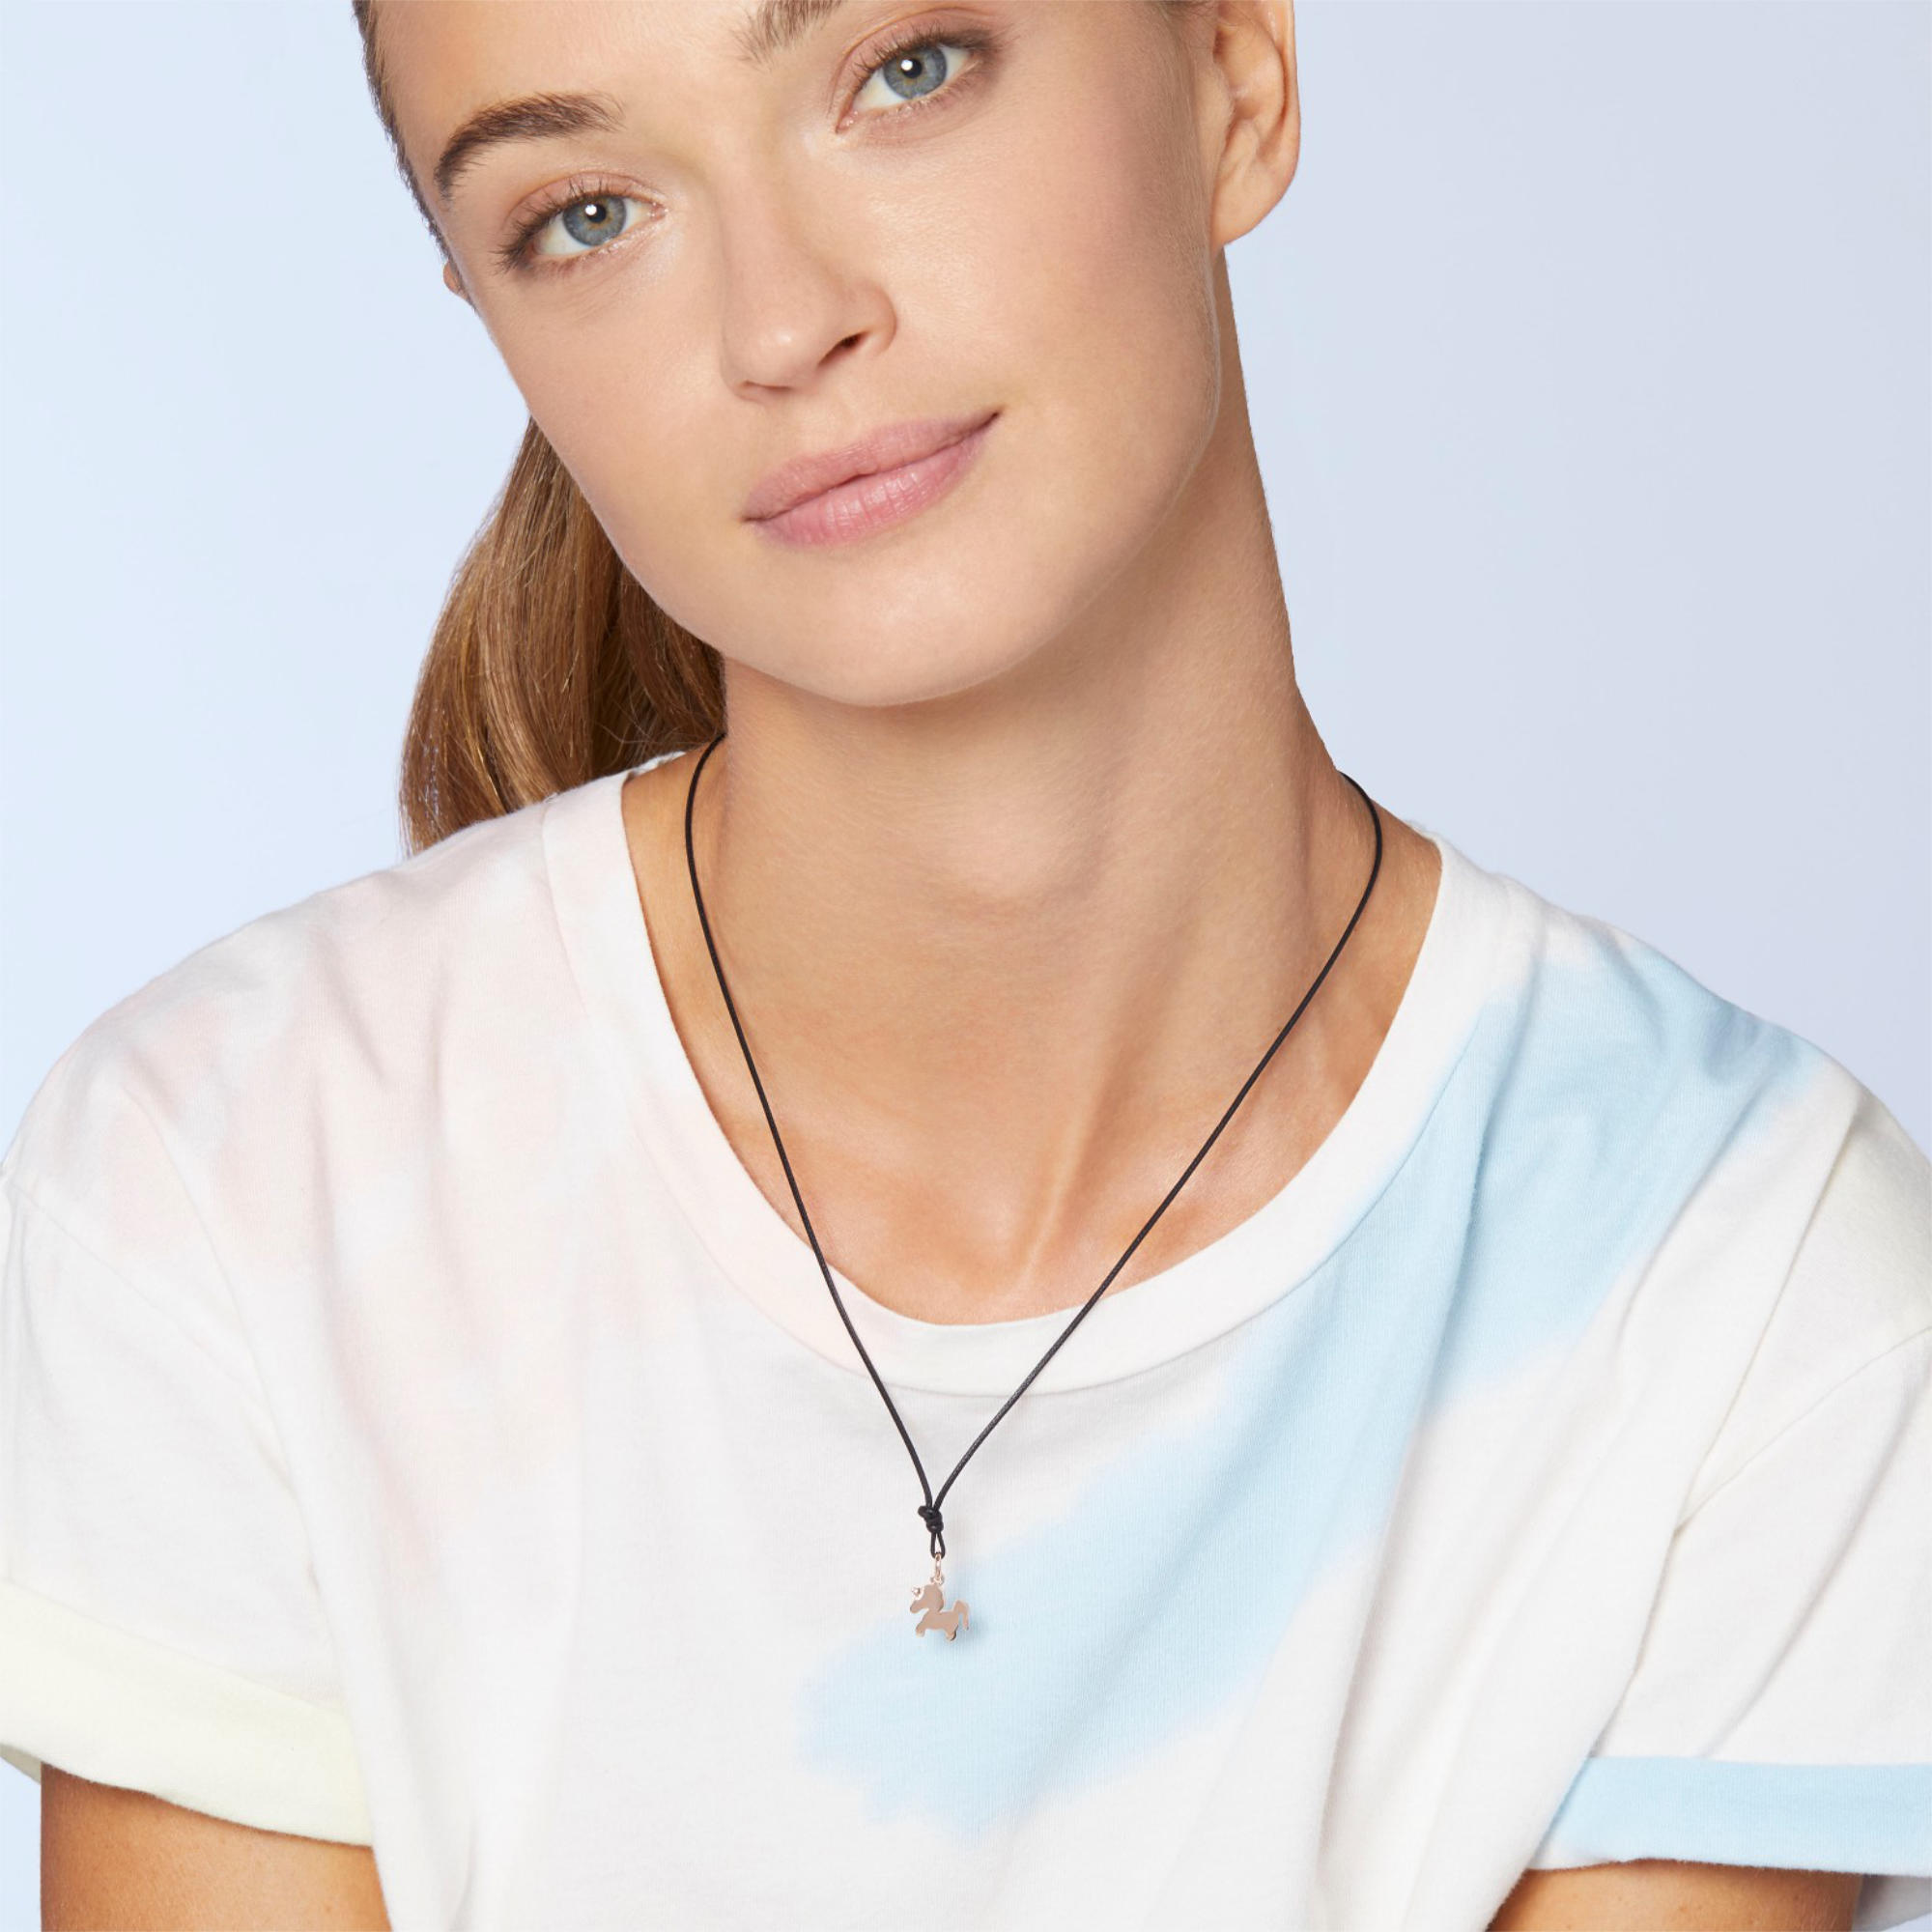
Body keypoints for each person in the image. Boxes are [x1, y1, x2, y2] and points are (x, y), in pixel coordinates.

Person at [5, 1, 1926, 1926]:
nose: (783, 325)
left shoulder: (1743, 1284)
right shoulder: (233, 1180)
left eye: (903, 72)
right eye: (585, 214)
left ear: (1233, 77)